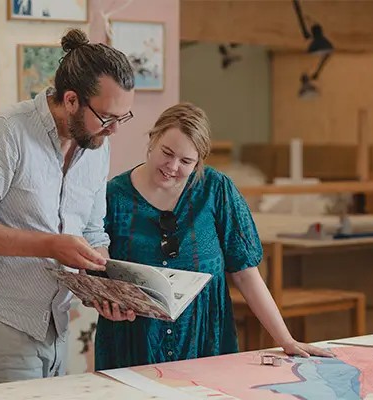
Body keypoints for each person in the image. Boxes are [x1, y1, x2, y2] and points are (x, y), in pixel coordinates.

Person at [0, 28, 135, 387]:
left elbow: (93, 232)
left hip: (55, 323)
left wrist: (104, 289)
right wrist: (50, 245)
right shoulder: (7, 132)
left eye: (122, 118)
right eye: (107, 118)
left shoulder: (96, 143)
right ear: (71, 100)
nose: (114, 130)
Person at [94, 103, 332, 370]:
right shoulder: (113, 195)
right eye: (167, 153)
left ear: (199, 161)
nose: (172, 166)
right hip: (132, 341)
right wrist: (105, 300)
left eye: (186, 161)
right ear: (152, 139)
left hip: (205, 338)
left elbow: (246, 274)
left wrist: (285, 339)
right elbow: (96, 267)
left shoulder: (216, 190)